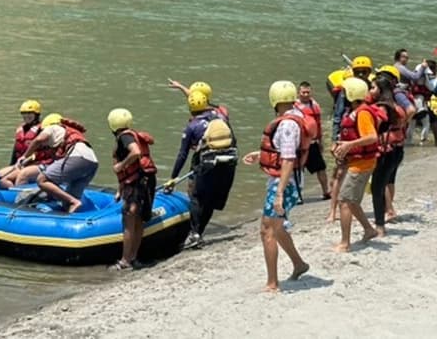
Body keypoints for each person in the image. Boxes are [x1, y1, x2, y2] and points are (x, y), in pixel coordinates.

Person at [250, 81, 309, 292]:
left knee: (267, 229)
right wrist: (260, 155)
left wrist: (280, 194)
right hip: (290, 181)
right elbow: (286, 152)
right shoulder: (297, 118)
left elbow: (288, 159)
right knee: (278, 226)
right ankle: (299, 264)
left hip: (285, 184)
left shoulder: (286, 125)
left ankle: (272, 283)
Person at [167, 89, 237, 249]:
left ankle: (194, 234)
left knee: (197, 198)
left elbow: (182, 154)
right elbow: (234, 139)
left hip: (207, 165)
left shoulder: (192, 126)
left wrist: (173, 177)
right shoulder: (221, 117)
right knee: (211, 200)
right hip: (228, 163)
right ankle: (199, 233)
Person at [331, 78, 384, 252]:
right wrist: (342, 145)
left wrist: (349, 145)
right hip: (357, 161)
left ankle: (345, 243)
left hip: (362, 164)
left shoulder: (362, 113)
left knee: (345, 201)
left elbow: (372, 137)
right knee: (352, 201)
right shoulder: (355, 111)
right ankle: (369, 230)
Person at [109, 108, 157, 271]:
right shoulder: (132, 134)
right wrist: (120, 189)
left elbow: (135, 153)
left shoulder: (124, 138)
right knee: (137, 220)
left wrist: (121, 165)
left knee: (129, 220)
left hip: (137, 183)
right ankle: (133, 258)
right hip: (146, 180)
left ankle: (124, 261)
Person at [21, 113, 98, 213]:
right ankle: (71, 213)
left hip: (77, 157)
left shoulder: (52, 127)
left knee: (42, 180)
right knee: (67, 203)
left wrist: (24, 156)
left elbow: (38, 140)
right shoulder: (65, 133)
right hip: (92, 162)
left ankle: (74, 201)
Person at [371, 66, 414, 229]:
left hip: (386, 151)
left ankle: (380, 225)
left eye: (373, 87)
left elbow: (374, 129)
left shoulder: (383, 107)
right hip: (398, 149)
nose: (370, 90)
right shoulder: (395, 105)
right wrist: (402, 125)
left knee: (378, 188)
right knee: (386, 182)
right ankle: (387, 212)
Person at [293, 82, 328, 201]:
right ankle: (298, 195)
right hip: (300, 143)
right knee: (298, 169)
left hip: (313, 143)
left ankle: (325, 191)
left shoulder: (315, 106)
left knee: (321, 168)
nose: (306, 94)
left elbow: (318, 125)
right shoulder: (294, 107)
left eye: (308, 92)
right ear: (299, 93)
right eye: (303, 92)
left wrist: (320, 141)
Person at [11, 100, 43, 164]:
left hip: (35, 163)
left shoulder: (41, 129)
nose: (26, 116)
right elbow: (15, 150)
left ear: (36, 115)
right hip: (20, 163)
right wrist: (11, 164)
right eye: (24, 113)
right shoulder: (20, 129)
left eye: (29, 113)